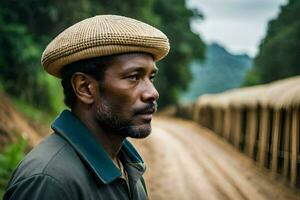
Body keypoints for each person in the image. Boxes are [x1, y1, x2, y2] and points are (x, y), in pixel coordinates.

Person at [3, 15, 169, 200]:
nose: (152, 93)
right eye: (134, 77)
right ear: (85, 88)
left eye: (150, 78)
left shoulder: (128, 167)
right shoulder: (49, 182)